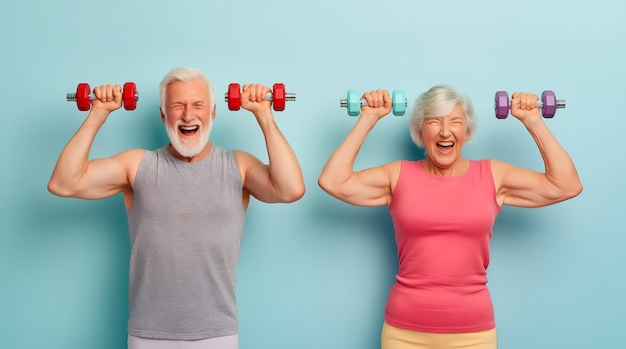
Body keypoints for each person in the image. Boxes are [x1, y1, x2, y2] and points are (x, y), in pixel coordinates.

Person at [48, 67, 305, 349]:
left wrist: (264, 116)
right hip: (148, 335)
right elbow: (64, 183)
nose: (187, 115)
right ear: (163, 115)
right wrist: (98, 113)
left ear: (213, 113)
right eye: (177, 106)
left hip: (217, 334)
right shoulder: (137, 166)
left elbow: (290, 189)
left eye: (198, 105)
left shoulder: (238, 166)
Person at [317, 85, 582, 349]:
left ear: (466, 131)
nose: (445, 131)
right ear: (421, 132)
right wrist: (368, 118)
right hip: (403, 332)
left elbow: (565, 185)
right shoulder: (397, 176)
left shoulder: (492, 176)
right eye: (434, 122)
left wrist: (533, 121)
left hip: (474, 334)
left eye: (455, 122)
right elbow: (333, 181)